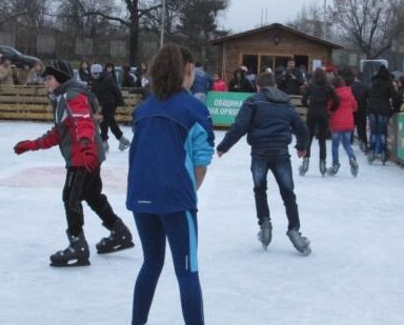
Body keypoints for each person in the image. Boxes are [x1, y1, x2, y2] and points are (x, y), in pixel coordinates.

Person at [13, 59, 134, 267]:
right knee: (92, 195)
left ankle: (77, 244)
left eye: (49, 78)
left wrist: (86, 148)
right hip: (88, 155)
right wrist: (32, 145)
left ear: (61, 78)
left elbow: (84, 122)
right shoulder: (64, 98)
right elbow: (60, 133)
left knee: (71, 197)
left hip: (82, 158)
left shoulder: (72, 96)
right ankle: (119, 231)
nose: (46, 82)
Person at [127, 44, 214, 325]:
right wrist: (187, 194)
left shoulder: (143, 110)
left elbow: (136, 155)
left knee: (151, 263)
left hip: (141, 196)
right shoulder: (195, 109)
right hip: (176, 200)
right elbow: (202, 160)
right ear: (187, 71)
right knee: (187, 272)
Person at [217, 72, 311, 255]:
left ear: (258, 87)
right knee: (288, 193)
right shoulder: (286, 103)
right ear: (275, 85)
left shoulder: (253, 101)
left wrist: (223, 146)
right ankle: (294, 229)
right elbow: (302, 128)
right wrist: (302, 146)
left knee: (260, 189)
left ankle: (265, 224)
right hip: (281, 152)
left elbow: (240, 126)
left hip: (259, 152)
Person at [299, 68, 340, 176]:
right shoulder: (328, 86)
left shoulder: (311, 86)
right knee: (322, 140)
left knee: (309, 138)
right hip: (323, 112)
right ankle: (322, 164)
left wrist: (307, 105)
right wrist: (332, 110)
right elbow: (337, 100)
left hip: (312, 112)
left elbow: (303, 99)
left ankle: (305, 163)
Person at [92, 63, 130, 152]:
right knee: (111, 122)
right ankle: (123, 140)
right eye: (94, 73)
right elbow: (94, 94)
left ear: (101, 72)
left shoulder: (107, 79)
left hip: (110, 103)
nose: (96, 75)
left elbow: (116, 90)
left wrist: (120, 102)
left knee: (103, 121)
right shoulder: (95, 82)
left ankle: (104, 142)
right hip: (102, 104)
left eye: (98, 73)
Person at [327, 77, 359, 177]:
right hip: (348, 121)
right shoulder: (349, 93)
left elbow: (329, 107)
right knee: (347, 144)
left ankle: (335, 165)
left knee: (335, 146)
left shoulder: (333, 94)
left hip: (336, 122)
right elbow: (355, 106)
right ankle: (352, 158)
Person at [366, 65, 397, 164]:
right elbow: (394, 95)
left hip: (371, 109)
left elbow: (368, 94)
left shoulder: (372, 82)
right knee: (382, 132)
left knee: (373, 131)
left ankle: (372, 151)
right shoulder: (388, 83)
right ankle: (383, 152)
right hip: (383, 110)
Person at [346, 67, 369, 152]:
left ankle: (349, 141)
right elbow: (368, 98)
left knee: (351, 126)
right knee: (361, 127)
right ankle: (363, 141)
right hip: (362, 109)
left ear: (356, 78)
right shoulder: (366, 87)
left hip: (352, 109)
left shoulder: (351, 87)